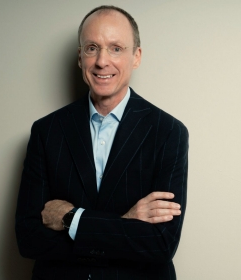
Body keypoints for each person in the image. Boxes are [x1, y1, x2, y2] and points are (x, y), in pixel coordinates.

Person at [15, 5, 188, 280]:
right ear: (80, 58)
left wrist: (71, 219)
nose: (101, 61)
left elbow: (161, 243)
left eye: (116, 48)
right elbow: (28, 238)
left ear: (136, 57)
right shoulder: (46, 131)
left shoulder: (168, 132)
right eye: (92, 48)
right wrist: (124, 224)